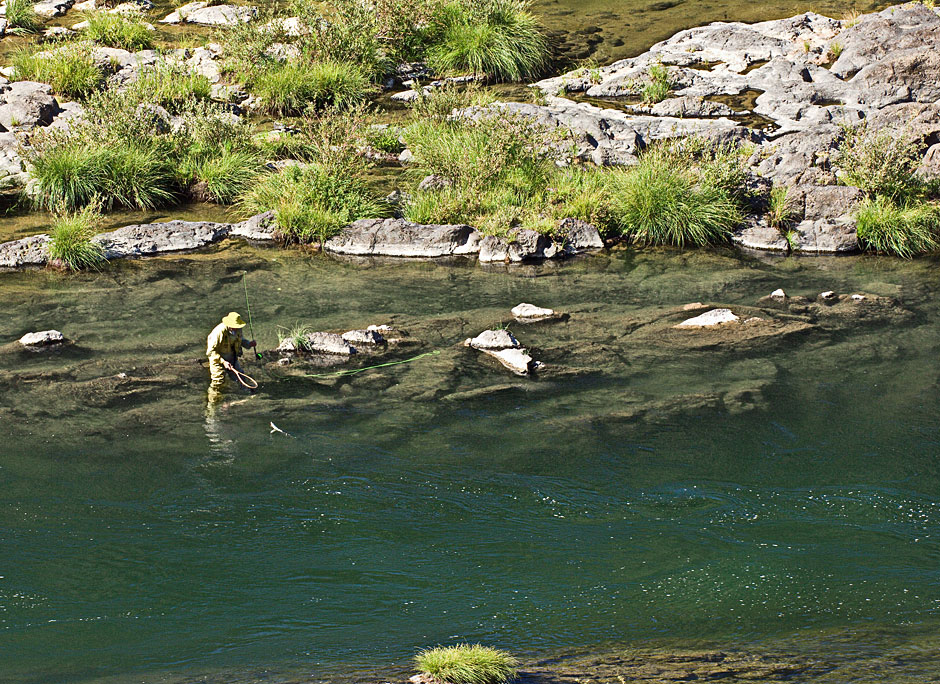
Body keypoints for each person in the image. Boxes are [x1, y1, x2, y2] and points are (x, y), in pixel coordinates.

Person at [206, 311, 257, 403]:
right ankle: (212, 402)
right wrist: (223, 362)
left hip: (232, 358)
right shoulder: (219, 332)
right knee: (218, 382)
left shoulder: (238, 329)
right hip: (217, 359)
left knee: (240, 376)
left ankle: (248, 396)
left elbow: (241, 340)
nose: (238, 328)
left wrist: (249, 344)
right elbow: (210, 351)